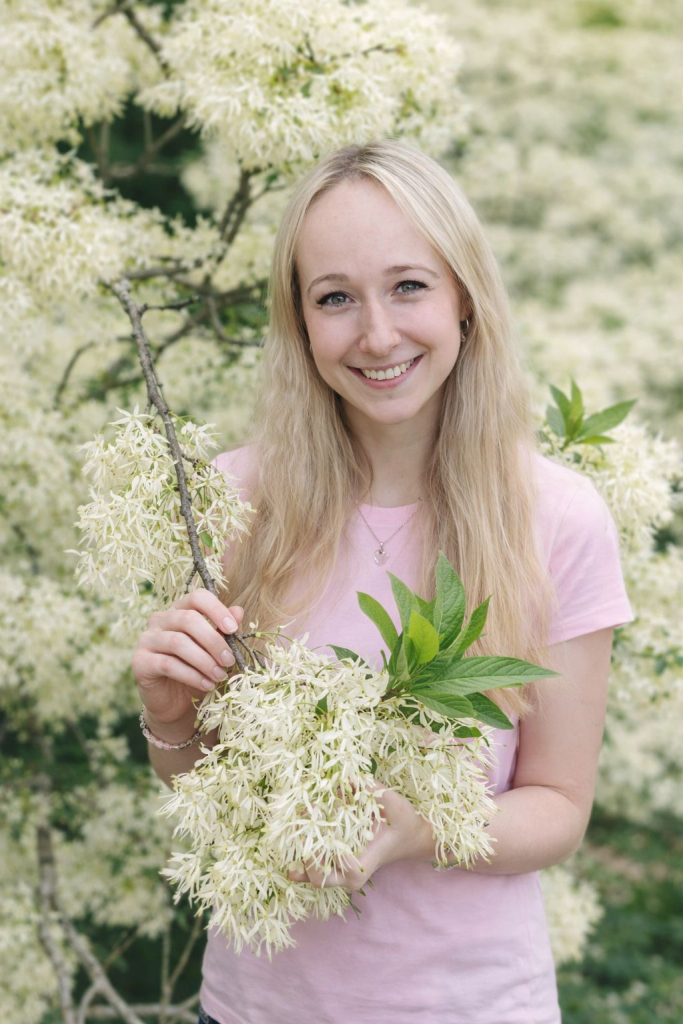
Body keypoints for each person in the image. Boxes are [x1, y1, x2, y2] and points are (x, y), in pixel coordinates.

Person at [132, 138, 634, 1024]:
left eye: (409, 286)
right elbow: (204, 789)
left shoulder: (556, 517)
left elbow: (556, 806)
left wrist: (420, 829)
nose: (375, 334)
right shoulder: (231, 500)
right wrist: (168, 717)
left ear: (466, 301)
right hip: (255, 1005)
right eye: (335, 299)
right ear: (299, 324)